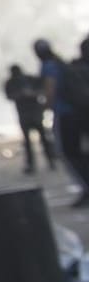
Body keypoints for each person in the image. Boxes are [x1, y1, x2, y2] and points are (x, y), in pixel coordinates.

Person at [38, 39, 89, 203]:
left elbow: (50, 90)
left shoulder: (49, 66)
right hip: (79, 112)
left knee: (70, 153)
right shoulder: (60, 63)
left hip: (66, 115)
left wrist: (45, 106)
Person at [4, 64, 57, 175]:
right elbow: (9, 96)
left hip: (34, 114)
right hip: (26, 115)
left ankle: (50, 161)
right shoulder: (11, 83)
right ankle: (35, 164)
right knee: (31, 142)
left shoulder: (29, 80)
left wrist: (30, 94)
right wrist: (21, 95)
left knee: (42, 139)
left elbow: (43, 90)